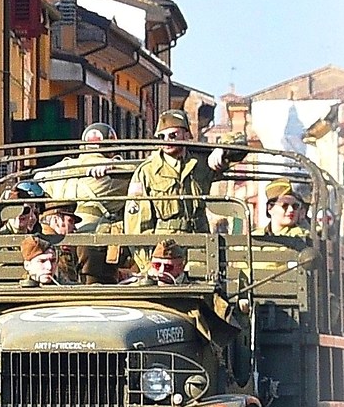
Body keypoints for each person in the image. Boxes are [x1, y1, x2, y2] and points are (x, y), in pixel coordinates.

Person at [122, 108, 232, 273]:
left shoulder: (201, 163)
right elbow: (136, 225)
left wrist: (223, 148)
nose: (166, 140)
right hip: (165, 250)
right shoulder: (147, 171)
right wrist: (148, 265)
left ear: (187, 135)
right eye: (161, 137)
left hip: (199, 245)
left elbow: (240, 146)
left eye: (173, 135)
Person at [38, 122, 130, 232]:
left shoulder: (61, 167)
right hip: (93, 228)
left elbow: (38, 179)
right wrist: (115, 164)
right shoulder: (113, 171)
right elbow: (143, 169)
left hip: (56, 227)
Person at [23, 200, 111, 285]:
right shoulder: (43, 245)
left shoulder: (59, 245)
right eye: (70, 221)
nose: (75, 228)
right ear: (56, 221)